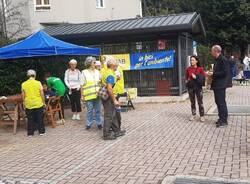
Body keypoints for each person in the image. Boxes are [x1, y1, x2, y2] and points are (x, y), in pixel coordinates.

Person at [101, 56, 125, 140]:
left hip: (107, 96)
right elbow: (109, 88)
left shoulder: (107, 72)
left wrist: (117, 79)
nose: (117, 66)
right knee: (109, 115)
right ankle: (106, 134)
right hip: (109, 97)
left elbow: (106, 84)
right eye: (116, 65)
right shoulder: (111, 74)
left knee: (113, 114)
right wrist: (114, 100)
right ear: (112, 66)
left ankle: (117, 131)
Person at [209, 45, 232, 128]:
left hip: (221, 85)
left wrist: (213, 74)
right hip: (217, 84)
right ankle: (221, 118)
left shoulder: (223, 59)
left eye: (212, 51)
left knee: (221, 102)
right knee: (218, 102)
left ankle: (224, 121)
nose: (211, 53)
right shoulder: (217, 60)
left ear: (216, 51)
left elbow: (225, 72)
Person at [21, 69, 46, 137]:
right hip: (38, 103)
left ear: (28, 75)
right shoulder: (38, 83)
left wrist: (24, 102)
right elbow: (42, 94)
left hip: (29, 103)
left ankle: (30, 133)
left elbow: (23, 95)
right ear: (35, 75)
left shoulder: (23, 84)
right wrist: (44, 102)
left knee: (30, 119)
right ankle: (41, 132)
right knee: (39, 118)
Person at [82, 56, 102, 130]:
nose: (95, 63)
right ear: (90, 63)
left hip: (97, 94)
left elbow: (100, 82)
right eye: (94, 62)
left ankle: (99, 123)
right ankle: (88, 124)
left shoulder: (97, 71)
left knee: (98, 109)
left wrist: (100, 88)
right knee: (89, 110)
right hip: (88, 95)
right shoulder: (84, 72)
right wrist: (82, 96)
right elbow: (82, 84)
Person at [185, 55, 206, 122]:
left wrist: (196, 77)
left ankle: (202, 116)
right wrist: (187, 81)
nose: (191, 61)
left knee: (200, 102)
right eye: (191, 60)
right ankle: (193, 114)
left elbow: (203, 77)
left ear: (196, 61)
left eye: (193, 60)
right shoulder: (188, 69)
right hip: (191, 87)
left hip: (198, 87)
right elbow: (186, 78)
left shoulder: (200, 69)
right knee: (192, 102)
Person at [113, 61, 125, 130]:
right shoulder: (109, 72)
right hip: (112, 93)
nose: (116, 67)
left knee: (116, 110)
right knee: (114, 111)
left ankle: (117, 127)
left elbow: (119, 79)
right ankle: (116, 128)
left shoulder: (118, 70)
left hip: (116, 92)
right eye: (115, 66)